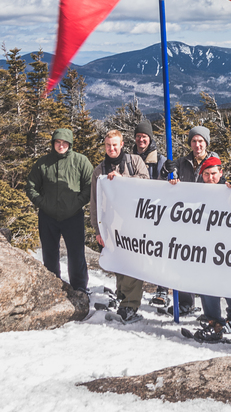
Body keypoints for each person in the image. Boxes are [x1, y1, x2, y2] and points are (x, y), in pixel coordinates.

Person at [90, 129, 149, 323]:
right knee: (119, 263)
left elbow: (146, 183)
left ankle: (130, 304)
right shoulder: (99, 170)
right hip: (111, 224)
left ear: (122, 144)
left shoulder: (134, 162)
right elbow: (95, 201)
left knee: (133, 262)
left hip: (134, 222)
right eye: (108, 145)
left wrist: (123, 179)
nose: (111, 148)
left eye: (115, 145)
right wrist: (98, 230)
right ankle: (122, 297)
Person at [26, 128, 93, 294]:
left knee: (76, 254)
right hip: (48, 216)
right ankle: (52, 284)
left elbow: (90, 186)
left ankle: (80, 287)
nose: (61, 145)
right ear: (53, 143)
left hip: (73, 215)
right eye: (58, 142)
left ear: (69, 144)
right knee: (49, 253)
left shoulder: (81, 161)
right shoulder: (43, 163)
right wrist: (42, 203)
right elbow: (31, 186)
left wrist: (77, 203)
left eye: (64, 142)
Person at [161, 125, 213, 315]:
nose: (197, 144)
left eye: (200, 141)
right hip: (184, 219)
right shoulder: (182, 163)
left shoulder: (214, 162)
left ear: (206, 143)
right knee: (182, 259)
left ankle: (211, 311)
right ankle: (185, 302)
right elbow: (164, 187)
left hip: (207, 220)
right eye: (194, 141)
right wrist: (166, 173)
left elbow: (221, 183)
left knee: (205, 264)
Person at [195, 154, 231, 334]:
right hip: (205, 244)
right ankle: (213, 319)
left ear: (221, 172)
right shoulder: (197, 192)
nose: (211, 178)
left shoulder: (230, 189)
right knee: (205, 280)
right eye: (206, 174)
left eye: (214, 174)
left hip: (227, 245)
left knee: (229, 280)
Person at [133, 119, 169, 308]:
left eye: (144, 137)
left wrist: (172, 173)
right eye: (138, 136)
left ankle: (162, 290)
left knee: (159, 251)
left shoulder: (159, 160)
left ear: (150, 138)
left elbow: (167, 183)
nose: (141, 140)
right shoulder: (129, 157)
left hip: (155, 214)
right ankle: (131, 291)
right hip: (135, 212)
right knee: (135, 251)